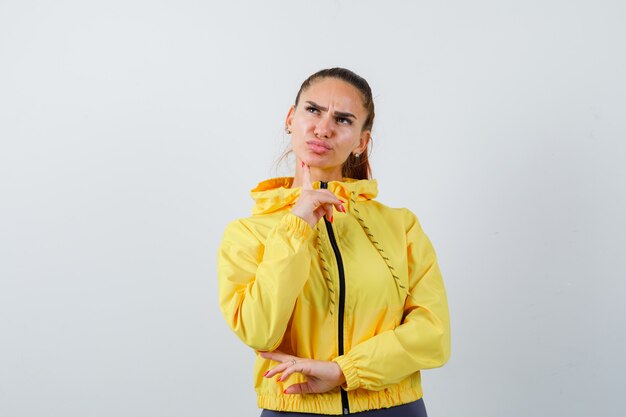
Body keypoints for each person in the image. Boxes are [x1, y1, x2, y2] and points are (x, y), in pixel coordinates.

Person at [217, 68, 450, 416]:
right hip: (294, 407)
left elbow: (434, 336)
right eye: (313, 110)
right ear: (290, 118)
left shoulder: (400, 226)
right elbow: (259, 331)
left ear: (360, 141)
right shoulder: (247, 233)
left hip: (395, 408)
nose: (323, 128)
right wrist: (297, 225)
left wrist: (344, 371)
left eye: (343, 119)